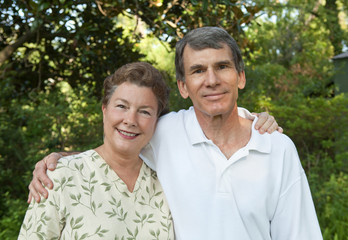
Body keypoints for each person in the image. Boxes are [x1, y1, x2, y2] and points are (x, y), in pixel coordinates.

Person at [28, 27, 320, 239]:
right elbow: (118, 149)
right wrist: (60, 161)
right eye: (197, 71)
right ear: (183, 87)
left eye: (222, 67)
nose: (212, 80)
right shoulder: (165, 132)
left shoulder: (277, 147)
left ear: (240, 77)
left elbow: (299, 233)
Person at [18, 62, 175, 239]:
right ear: (104, 111)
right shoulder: (61, 176)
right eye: (122, 106)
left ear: (157, 121)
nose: (130, 120)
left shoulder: (167, 182)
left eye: (145, 112)